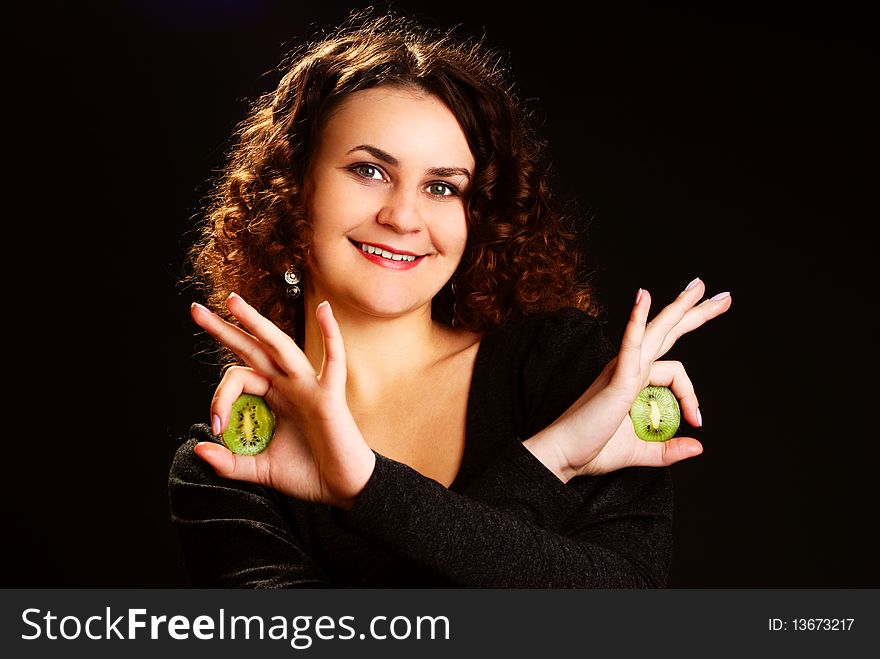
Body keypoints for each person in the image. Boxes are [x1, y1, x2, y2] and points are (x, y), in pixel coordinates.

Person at [169, 9, 732, 588]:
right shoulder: (232, 461)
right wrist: (552, 457)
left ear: (477, 216)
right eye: (368, 170)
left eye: (442, 187)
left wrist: (369, 489)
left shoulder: (567, 372)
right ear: (293, 188)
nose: (403, 216)